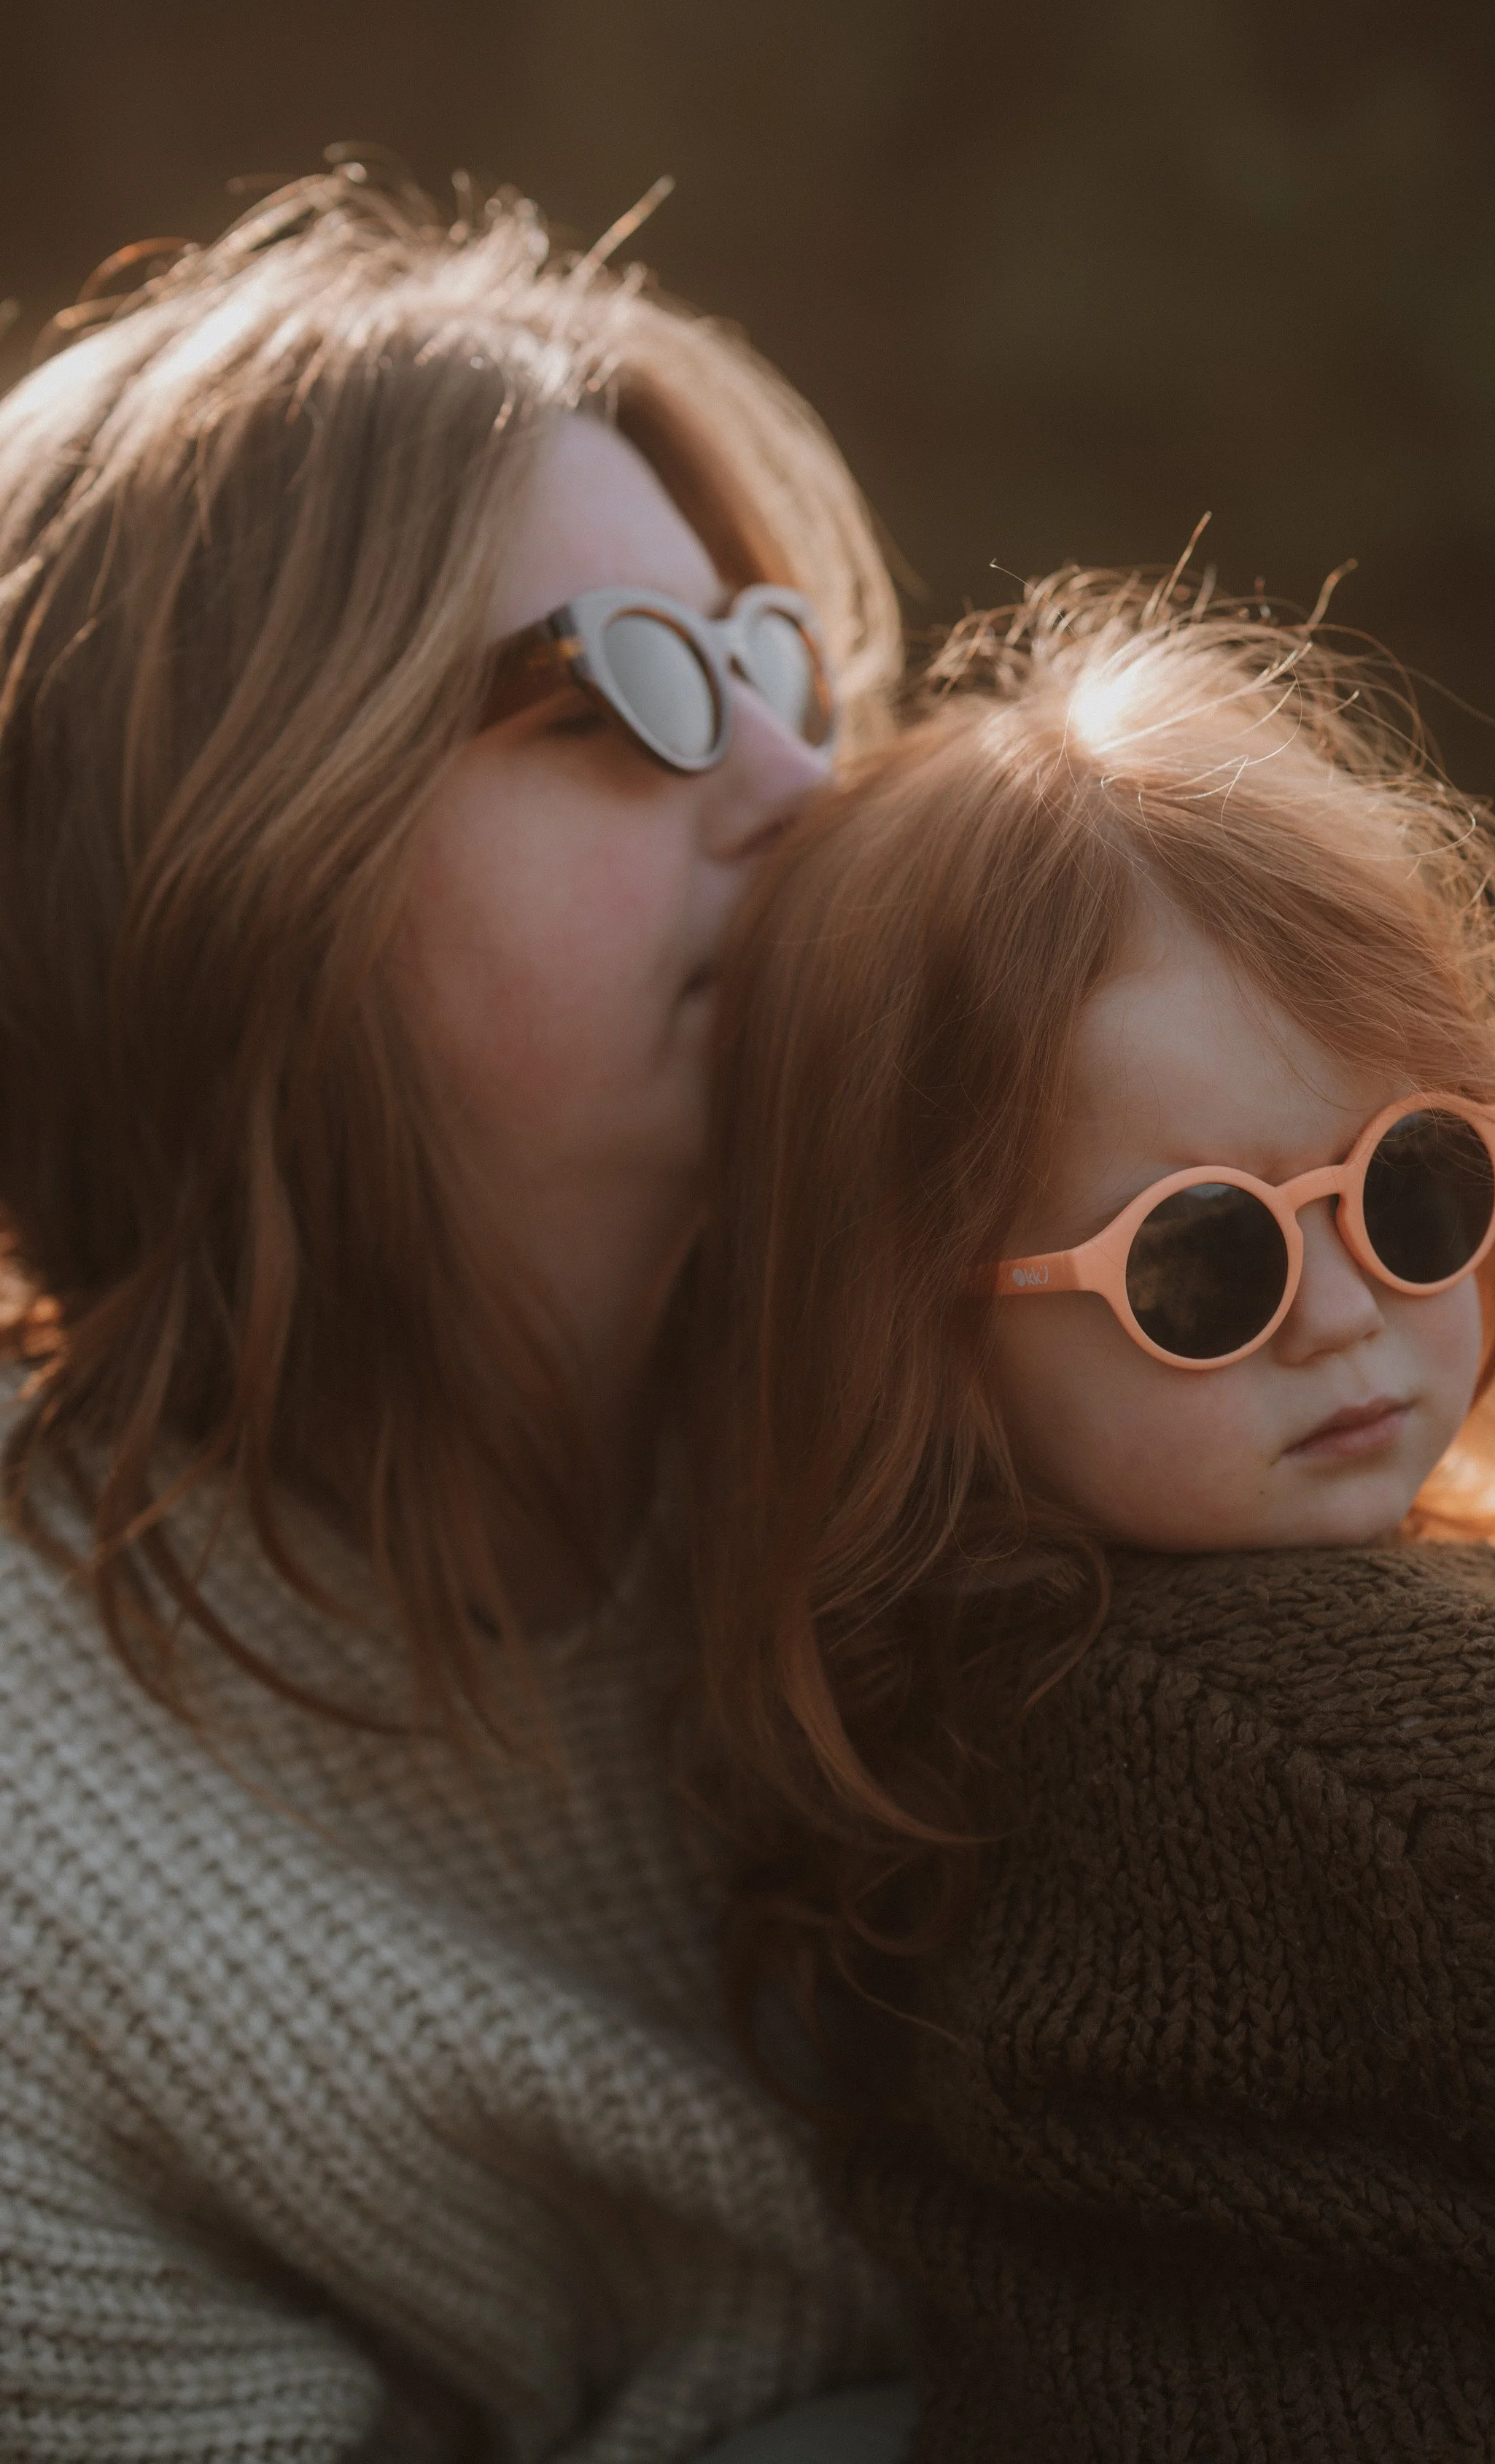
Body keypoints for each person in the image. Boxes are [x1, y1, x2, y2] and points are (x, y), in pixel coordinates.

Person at [690, 574, 1495, 2459]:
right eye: (1199, 1261)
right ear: (925, 1345)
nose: (1343, 1309)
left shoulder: (914, 1753)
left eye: (1410, 1182)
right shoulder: (1476, 1765)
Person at [0, 163, 915, 2460]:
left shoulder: (1047, 1374)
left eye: (772, 668)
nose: (803, 785)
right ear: (223, 850)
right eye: (619, 694)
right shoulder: (36, 1858)